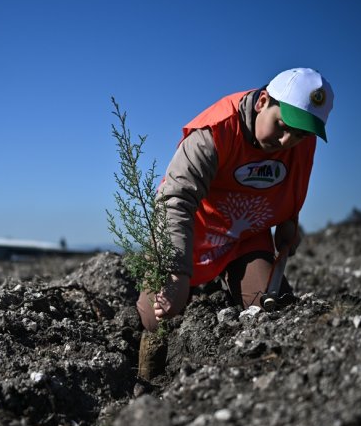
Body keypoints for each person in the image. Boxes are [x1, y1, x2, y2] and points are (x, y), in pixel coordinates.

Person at [136, 67, 334, 332]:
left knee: (275, 314)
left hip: (244, 238)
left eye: (299, 134)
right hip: (191, 235)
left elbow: (293, 183)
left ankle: (233, 278)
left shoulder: (301, 140)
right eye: (282, 126)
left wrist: (289, 221)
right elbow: (175, 200)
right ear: (263, 102)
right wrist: (176, 273)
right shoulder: (214, 133)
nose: (287, 141)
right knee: (156, 321)